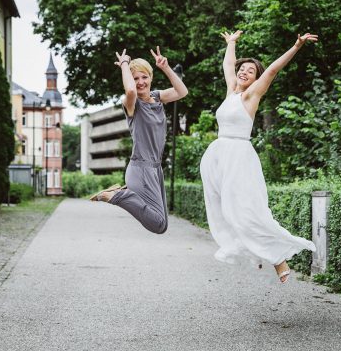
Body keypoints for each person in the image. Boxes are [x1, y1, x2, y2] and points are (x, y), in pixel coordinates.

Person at [200, 30, 318, 282]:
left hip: (239, 157)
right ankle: (254, 253)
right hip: (219, 157)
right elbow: (228, 64)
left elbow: (272, 70)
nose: (243, 72)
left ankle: (277, 258)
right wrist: (231, 43)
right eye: (242, 68)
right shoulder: (231, 91)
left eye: (250, 71)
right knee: (224, 209)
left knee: (245, 210)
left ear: (255, 79)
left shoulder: (251, 96)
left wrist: (296, 46)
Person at [90, 47, 188, 234]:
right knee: (157, 225)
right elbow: (130, 91)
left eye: (144, 77)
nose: (141, 82)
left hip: (155, 169)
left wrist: (166, 68)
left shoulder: (157, 97)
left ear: (151, 77)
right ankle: (117, 195)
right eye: (136, 79)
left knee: (163, 224)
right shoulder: (132, 104)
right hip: (141, 169)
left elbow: (182, 91)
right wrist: (125, 64)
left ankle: (120, 193)